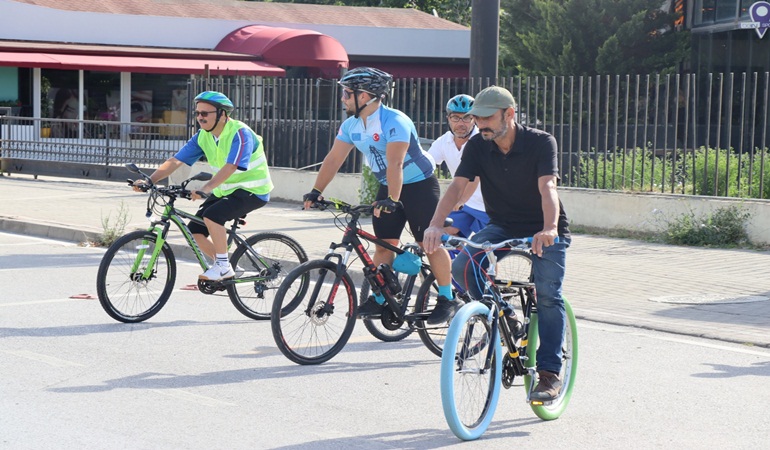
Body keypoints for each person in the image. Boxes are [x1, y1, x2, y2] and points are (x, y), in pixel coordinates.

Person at [422, 85, 571, 402]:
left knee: (547, 295)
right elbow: (456, 187)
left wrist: (549, 228)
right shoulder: (478, 145)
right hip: (502, 225)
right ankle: (505, 316)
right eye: (477, 118)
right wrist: (435, 224)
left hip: (543, 228)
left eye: (487, 118)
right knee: (463, 267)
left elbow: (548, 187)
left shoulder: (541, 142)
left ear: (509, 114)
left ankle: (549, 373)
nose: (480, 124)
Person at [302, 66, 461, 325]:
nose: (342, 98)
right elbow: (333, 159)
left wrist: (393, 200)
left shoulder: (395, 121)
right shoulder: (351, 125)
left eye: (347, 93)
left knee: (428, 243)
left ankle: (447, 297)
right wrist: (316, 191)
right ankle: (380, 297)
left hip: (419, 184)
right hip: (388, 186)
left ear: (364, 96)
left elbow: (396, 163)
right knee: (384, 244)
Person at [133, 91, 273, 281]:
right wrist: (150, 181)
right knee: (195, 230)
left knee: (212, 216)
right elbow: (176, 160)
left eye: (205, 113)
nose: (200, 117)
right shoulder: (203, 136)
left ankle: (223, 267)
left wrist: (206, 188)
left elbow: (231, 166)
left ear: (222, 114)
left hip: (253, 191)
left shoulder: (241, 133)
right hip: (225, 190)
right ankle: (227, 265)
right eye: (198, 113)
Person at [427, 94, 488, 238]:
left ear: (474, 119)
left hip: (487, 206)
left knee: (490, 246)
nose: (461, 123)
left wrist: (460, 200)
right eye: (455, 117)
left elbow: (476, 177)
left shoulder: (483, 141)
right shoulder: (443, 141)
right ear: (448, 118)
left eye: (466, 118)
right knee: (444, 235)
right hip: (463, 205)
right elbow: (426, 166)